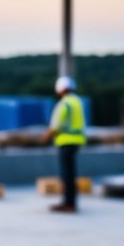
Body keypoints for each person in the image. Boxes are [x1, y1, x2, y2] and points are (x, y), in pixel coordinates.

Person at [44, 76, 87, 213]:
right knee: (71, 173)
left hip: (65, 142)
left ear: (60, 89)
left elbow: (55, 126)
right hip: (77, 141)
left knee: (66, 174)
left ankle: (69, 203)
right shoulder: (78, 102)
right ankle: (70, 202)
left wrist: (45, 138)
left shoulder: (64, 104)